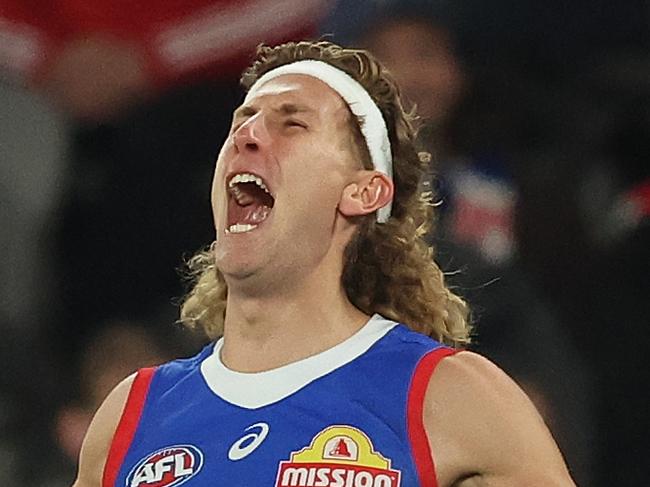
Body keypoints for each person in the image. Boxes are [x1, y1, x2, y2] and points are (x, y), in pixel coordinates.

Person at [73, 40, 576, 487]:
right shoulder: (132, 415)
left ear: (363, 190)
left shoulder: (450, 396)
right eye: (242, 122)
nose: (247, 136)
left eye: (291, 123)